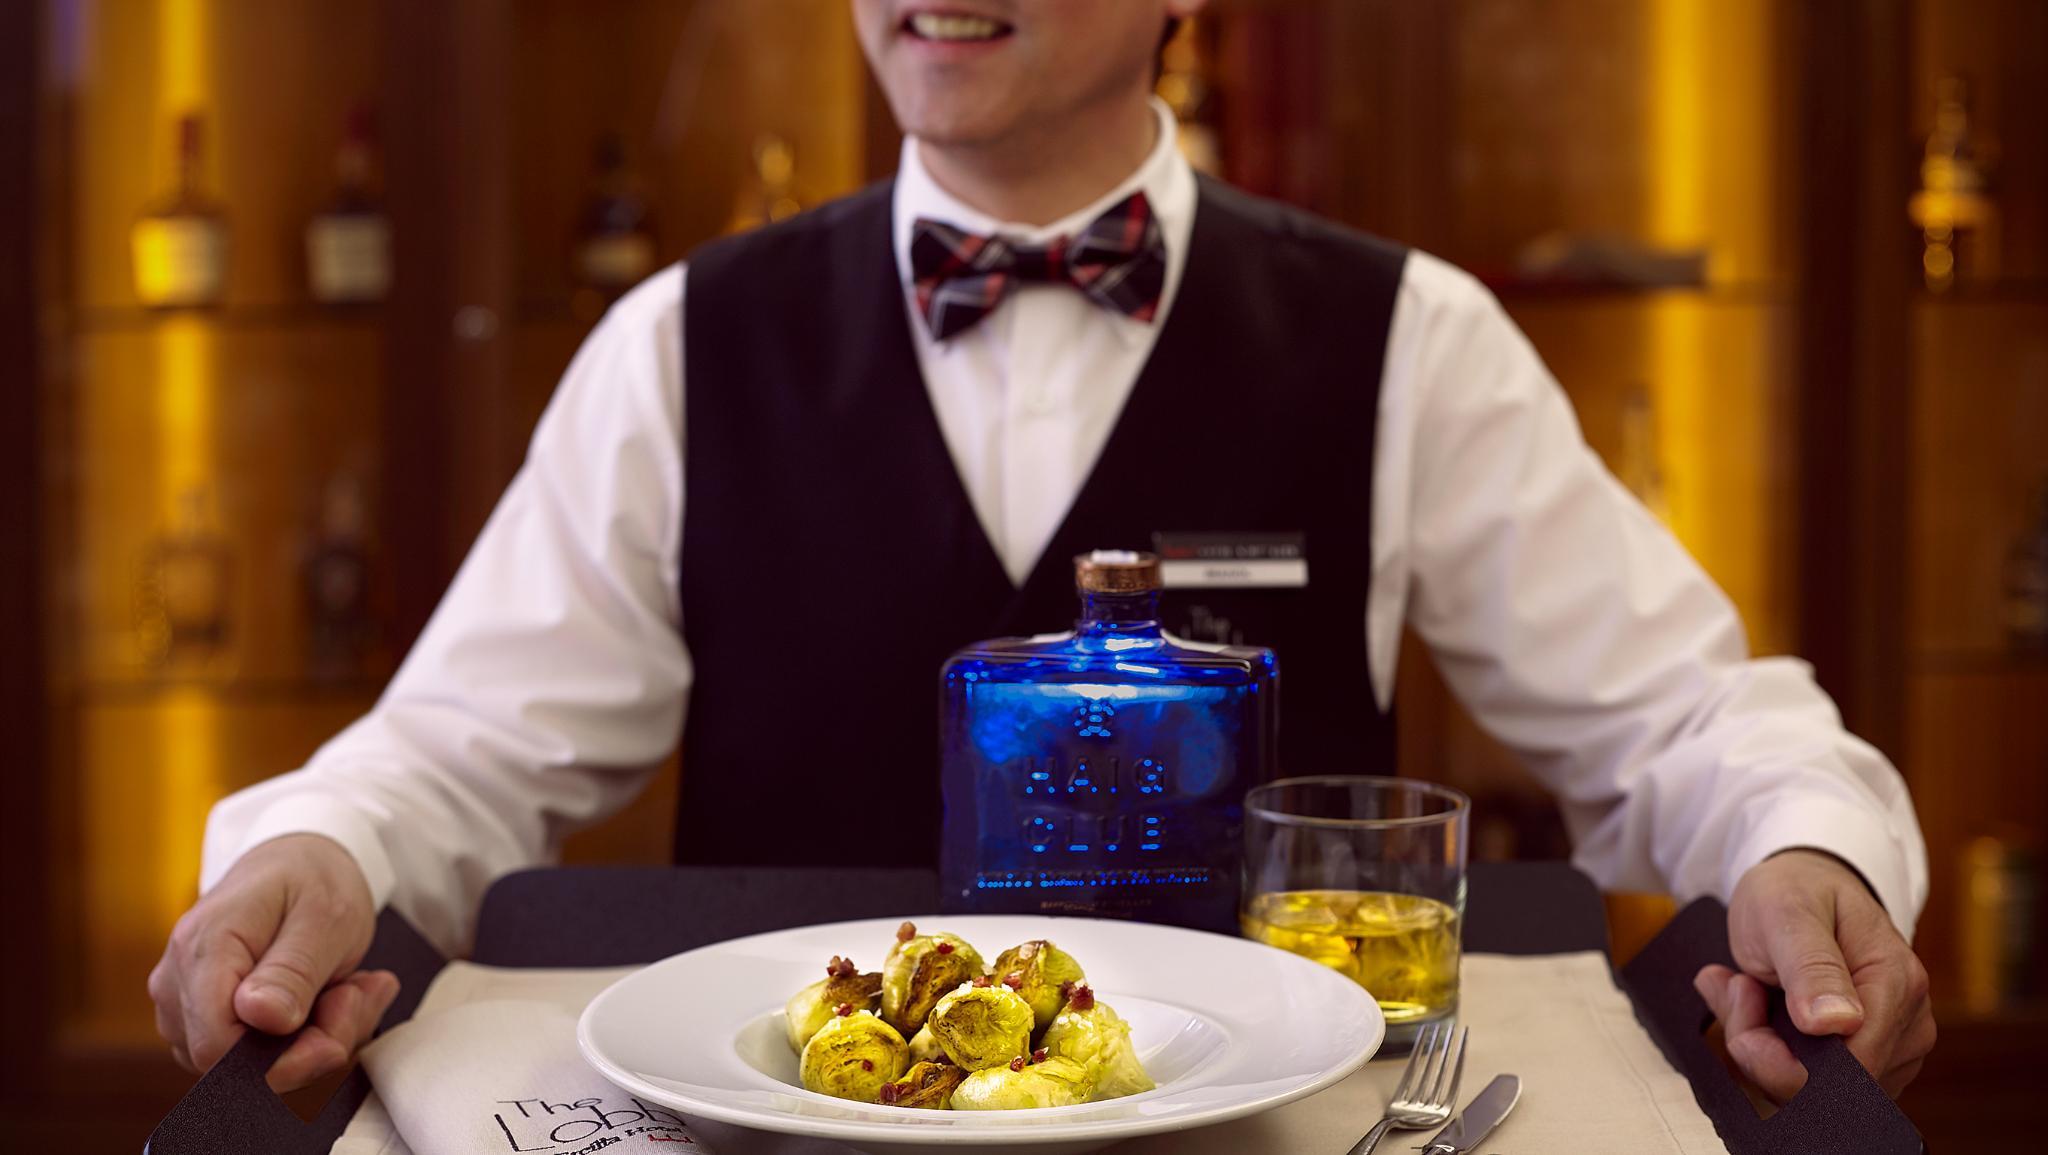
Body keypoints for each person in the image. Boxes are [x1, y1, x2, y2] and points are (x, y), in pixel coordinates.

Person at [150, 0, 1933, 1105]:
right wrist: (310, 849)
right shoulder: (680, 343)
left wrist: (1807, 846)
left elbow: (1678, 718)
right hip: (806, 1133)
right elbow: (461, 748)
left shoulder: (1412, 338)